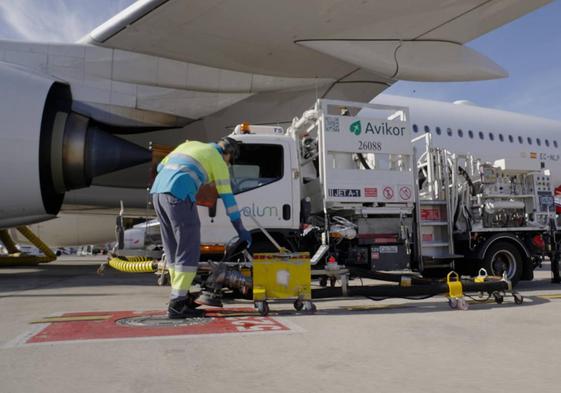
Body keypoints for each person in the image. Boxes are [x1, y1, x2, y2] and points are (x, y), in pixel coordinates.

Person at [151, 137, 252, 318]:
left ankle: (179, 296)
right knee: (188, 249)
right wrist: (240, 230)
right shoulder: (218, 160)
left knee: (173, 249)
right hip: (178, 195)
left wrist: (194, 178)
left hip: (158, 193)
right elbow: (228, 200)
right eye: (231, 160)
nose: (229, 164)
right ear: (228, 154)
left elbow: (160, 167)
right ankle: (177, 305)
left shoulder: (189, 144)